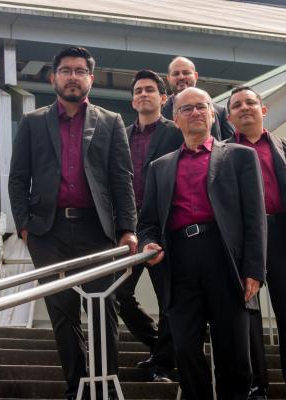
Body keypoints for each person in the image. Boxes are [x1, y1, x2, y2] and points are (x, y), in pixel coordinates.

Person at [8, 46, 138, 400]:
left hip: (97, 230)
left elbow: (122, 179)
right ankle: (77, 388)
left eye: (80, 71)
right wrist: (25, 227)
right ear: (54, 78)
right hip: (47, 233)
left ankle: (105, 388)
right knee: (61, 313)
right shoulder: (33, 122)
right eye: (66, 70)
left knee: (102, 310)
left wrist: (127, 228)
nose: (73, 77)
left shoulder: (110, 121)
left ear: (90, 79)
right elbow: (18, 178)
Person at [139, 87, 267, 400]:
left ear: (212, 114)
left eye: (202, 107)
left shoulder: (240, 156)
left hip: (225, 260)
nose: (195, 112)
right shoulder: (159, 167)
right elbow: (148, 222)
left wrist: (254, 269)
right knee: (185, 348)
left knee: (234, 352)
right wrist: (148, 244)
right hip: (180, 262)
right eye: (187, 108)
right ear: (175, 119)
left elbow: (255, 217)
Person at [226, 86, 286, 400]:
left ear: (263, 110)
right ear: (229, 117)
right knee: (247, 314)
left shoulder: (285, 147)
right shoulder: (223, 151)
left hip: (281, 235)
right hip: (242, 240)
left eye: (250, 102)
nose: (244, 108)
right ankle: (255, 385)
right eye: (237, 105)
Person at [115, 69, 182, 383]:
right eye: (138, 91)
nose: (144, 94)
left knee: (167, 297)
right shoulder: (121, 134)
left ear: (163, 98)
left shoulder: (175, 132)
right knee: (118, 293)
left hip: (164, 226)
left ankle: (163, 364)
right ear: (132, 101)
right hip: (128, 227)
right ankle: (160, 347)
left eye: (150, 90)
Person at [161, 56, 234, 140]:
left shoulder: (220, 111)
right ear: (168, 79)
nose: (181, 77)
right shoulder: (160, 112)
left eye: (186, 73)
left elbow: (231, 144)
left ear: (195, 76)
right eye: (176, 74)